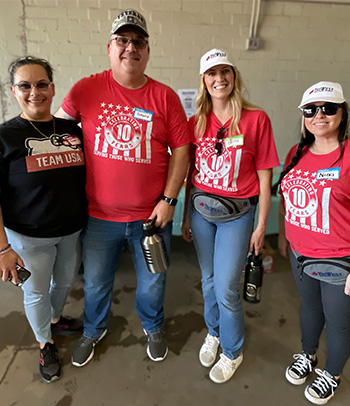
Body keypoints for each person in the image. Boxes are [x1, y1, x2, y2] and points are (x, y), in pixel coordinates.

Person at [55, 9, 190, 366]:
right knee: (97, 283)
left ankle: (153, 325)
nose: (131, 47)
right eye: (123, 40)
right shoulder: (85, 89)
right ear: (110, 47)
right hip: (99, 217)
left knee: (152, 283)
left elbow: (182, 149)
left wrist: (169, 199)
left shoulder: (165, 97)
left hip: (153, 218)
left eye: (138, 42)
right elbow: (57, 136)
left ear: (147, 51)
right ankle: (93, 329)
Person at [182, 49, 279, 383]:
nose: (219, 79)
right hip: (201, 211)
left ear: (234, 77)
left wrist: (262, 225)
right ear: (204, 81)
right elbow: (189, 174)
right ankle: (215, 331)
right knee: (208, 281)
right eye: (211, 73)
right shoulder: (195, 122)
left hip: (238, 215)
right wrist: (185, 217)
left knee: (225, 286)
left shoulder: (256, 119)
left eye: (225, 72)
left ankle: (232, 351)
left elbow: (265, 177)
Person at [0, 56, 86, 383]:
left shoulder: (71, 131)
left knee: (63, 282)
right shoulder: (5, 137)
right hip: (29, 237)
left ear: (52, 89)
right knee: (35, 292)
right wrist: (3, 249)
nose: (34, 92)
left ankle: (55, 317)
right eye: (25, 86)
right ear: (14, 91)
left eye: (41, 84)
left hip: (71, 231)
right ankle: (45, 343)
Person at [276, 81, 350, 405]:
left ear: (342, 112)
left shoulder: (348, 157)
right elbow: (286, 200)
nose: (319, 115)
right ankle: (309, 355)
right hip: (300, 254)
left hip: (340, 260)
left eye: (328, 108)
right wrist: (283, 236)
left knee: (339, 322)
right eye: (311, 109)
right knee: (309, 309)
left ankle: (332, 373)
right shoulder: (297, 153)